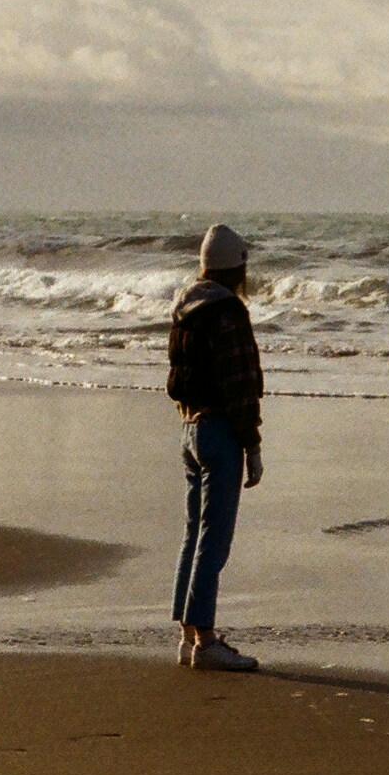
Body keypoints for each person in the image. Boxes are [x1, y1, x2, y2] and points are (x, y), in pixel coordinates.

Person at [168, 223, 264, 672]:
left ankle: (189, 636)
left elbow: (181, 376)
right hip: (221, 431)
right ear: (235, 268)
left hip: (190, 428)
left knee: (193, 536)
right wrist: (253, 444)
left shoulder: (186, 309)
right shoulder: (229, 313)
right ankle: (206, 641)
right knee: (214, 541)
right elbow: (241, 384)